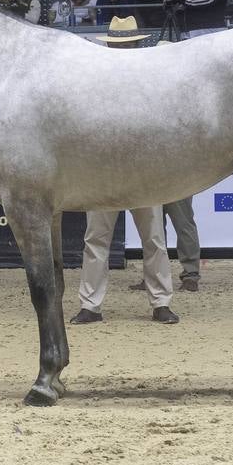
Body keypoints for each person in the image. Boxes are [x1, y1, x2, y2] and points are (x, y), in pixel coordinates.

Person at [71, 17, 177, 325]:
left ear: (135, 44)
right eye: (118, 45)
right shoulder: (99, 83)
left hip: (136, 169)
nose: (123, 50)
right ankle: (92, 305)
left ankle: (160, 302)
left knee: (151, 238)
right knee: (98, 239)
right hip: (108, 170)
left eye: (126, 44)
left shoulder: (147, 81)